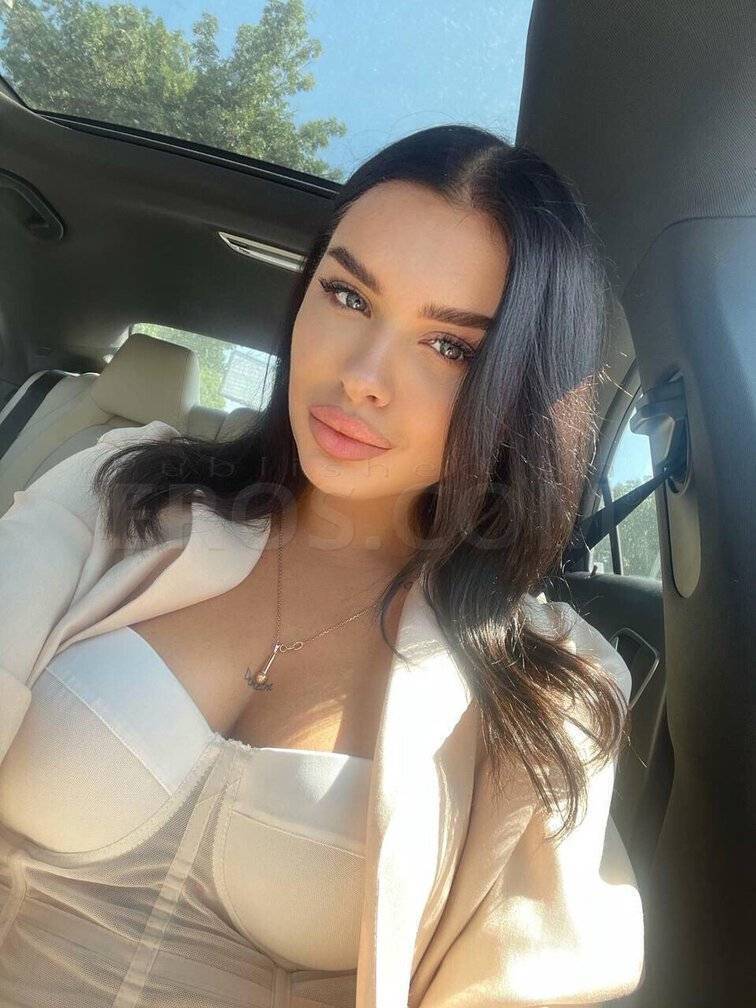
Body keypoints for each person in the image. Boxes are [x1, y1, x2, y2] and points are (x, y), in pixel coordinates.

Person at [0, 125, 644, 1006]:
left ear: (521, 395)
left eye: (451, 347)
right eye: (348, 295)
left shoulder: (547, 691)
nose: (364, 376)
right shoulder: (120, 492)